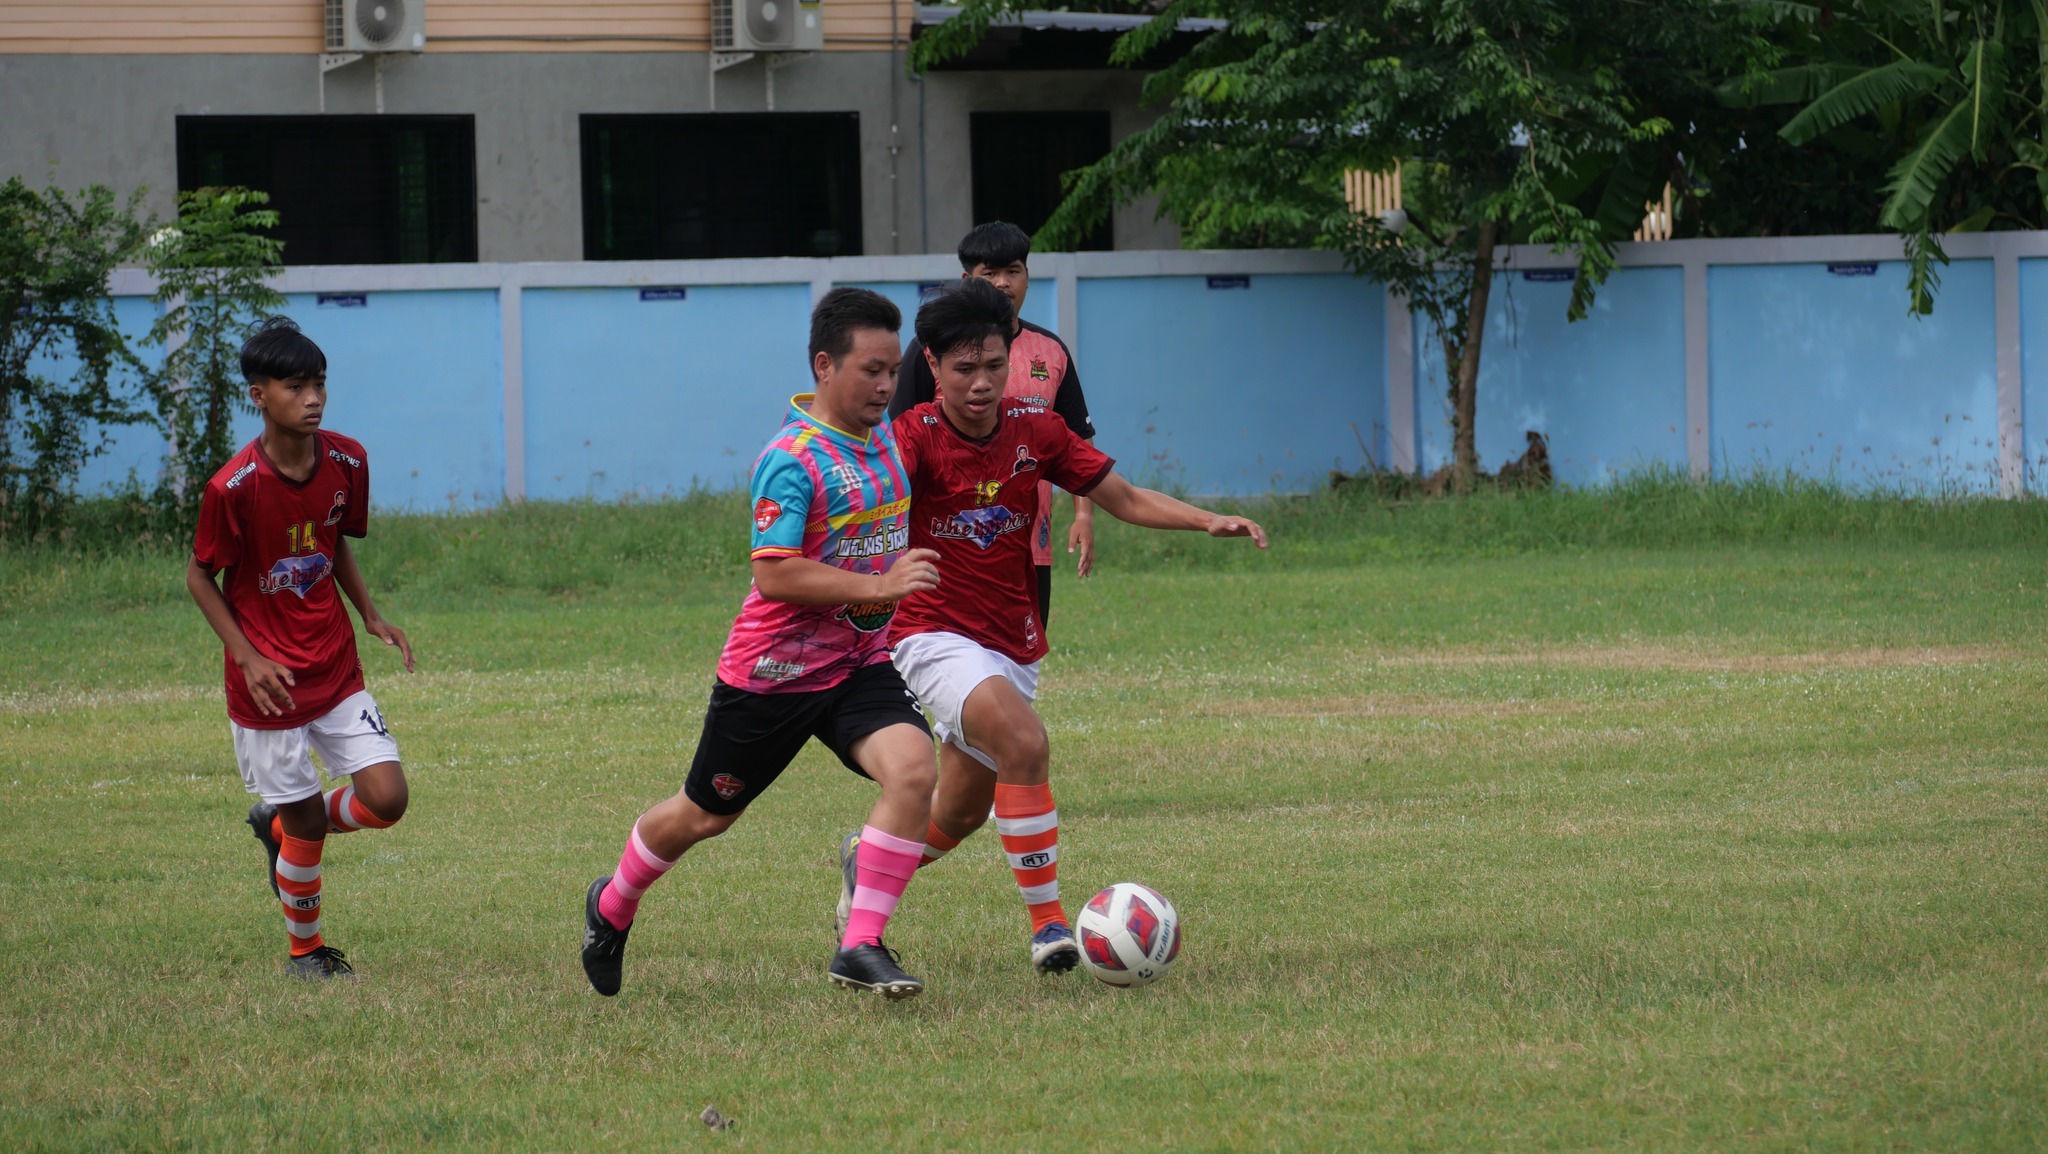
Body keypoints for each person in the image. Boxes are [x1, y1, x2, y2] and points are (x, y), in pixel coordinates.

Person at [844, 279, 1267, 973]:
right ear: (934, 366)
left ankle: (869, 862)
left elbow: (1123, 497)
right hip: (931, 632)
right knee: (1025, 741)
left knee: (961, 812)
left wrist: (1207, 519)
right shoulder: (911, 438)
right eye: (964, 369)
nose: (981, 383)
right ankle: (1048, 929)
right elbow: (856, 510)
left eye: (994, 365)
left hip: (1012, 640)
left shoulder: (1036, 430)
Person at [580, 288, 945, 1001]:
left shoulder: (884, 441)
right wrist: (879, 585)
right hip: (774, 673)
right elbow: (774, 574)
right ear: (824, 366)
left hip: (858, 662)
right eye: (870, 370)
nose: (885, 386)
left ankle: (861, 944)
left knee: (912, 772)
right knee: (705, 816)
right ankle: (612, 903)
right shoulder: (792, 458)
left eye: (892, 371)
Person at [186, 316, 416, 981]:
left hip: (335, 666)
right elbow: (199, 576)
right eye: (295, 387)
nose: (313, 399)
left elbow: (330, 538)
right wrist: (247, 656)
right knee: (311, 822)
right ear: (259, 395)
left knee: (388, 799)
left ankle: (280, 827)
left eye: (319, 384)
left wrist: (369, 614)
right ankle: (305, 952)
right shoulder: (234, 487)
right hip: (269, 687)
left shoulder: (348, 461)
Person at [889, 220, 1098, 625]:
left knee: (1023, 646)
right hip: (944, 539)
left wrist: (1084, 515)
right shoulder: (934, 347)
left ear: (1028, 275)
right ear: (968, 280)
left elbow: (1078, 441)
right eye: (991, 273)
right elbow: (899, 447)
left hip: (1026, 535)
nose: (1003, 283)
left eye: (1013, 271)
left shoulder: (1051, 351)